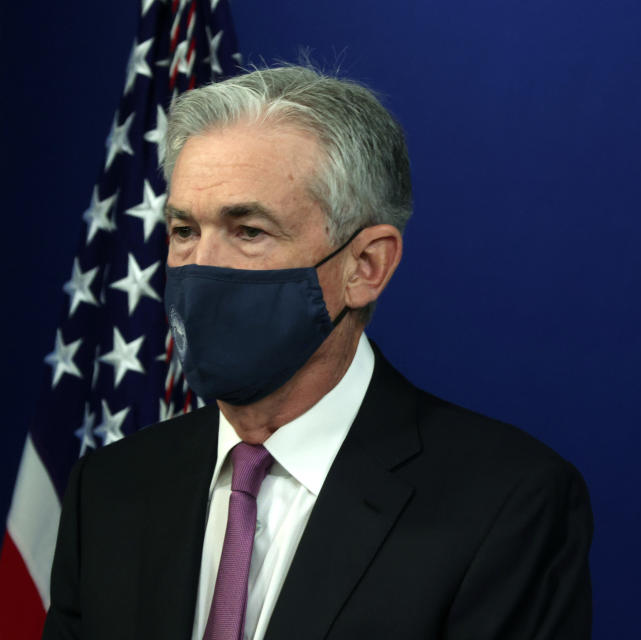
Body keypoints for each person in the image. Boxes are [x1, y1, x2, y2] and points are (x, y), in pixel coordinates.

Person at [42, 65, 593, 640]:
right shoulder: (108, 490)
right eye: (184, 231)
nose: (200, 266)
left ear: (365, 266)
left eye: (249, 230)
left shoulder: (506, 505)